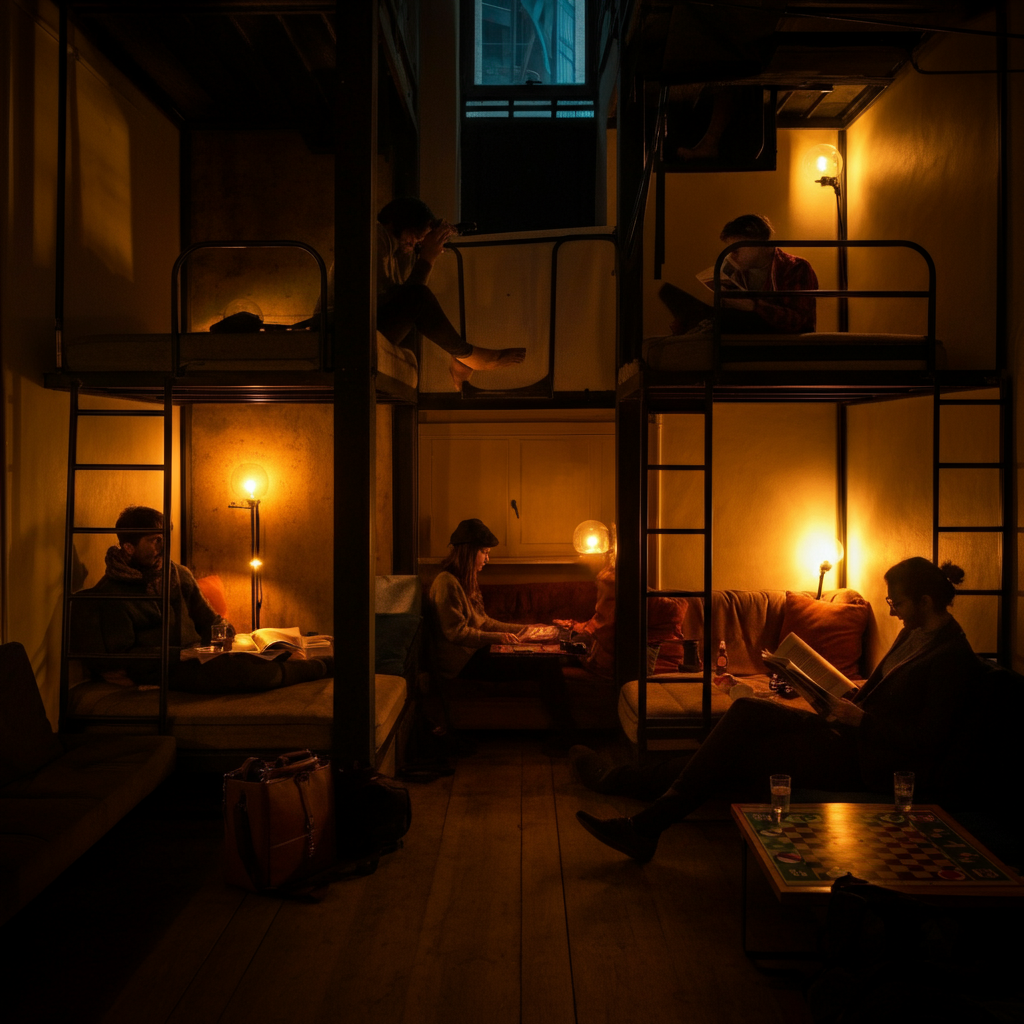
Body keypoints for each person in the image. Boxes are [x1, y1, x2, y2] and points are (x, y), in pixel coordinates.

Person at [574, 558, 981, 862]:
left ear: (927, 601)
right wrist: (844, 698)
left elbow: (927, 741)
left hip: (868, 759)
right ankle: (633, 799)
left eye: (898, 602)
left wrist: (863, 720)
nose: (892, 611)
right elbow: (879, 691)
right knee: (749, 709)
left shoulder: (951, 658)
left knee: (737, 756)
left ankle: (636, 806)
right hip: (847, 730)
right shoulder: (915, 633)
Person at [76, 505, 333, 694]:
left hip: (200, 655)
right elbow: (125, 655)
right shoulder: (113, 593)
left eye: (164, 539)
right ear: (129, 547)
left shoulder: (177, 574)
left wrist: (223, 633)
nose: (162, 548)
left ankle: (317, 662)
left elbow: (208, 619)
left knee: (260, 657)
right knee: (244, 674)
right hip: (164, 667)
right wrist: (181, 654)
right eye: (154, 541)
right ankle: (320, 668)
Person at [318, 198, 526, 390]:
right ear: (395, 223)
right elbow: (390, 298)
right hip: (341, 323)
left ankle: (460, 356)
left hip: (367, 322)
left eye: (417, 241)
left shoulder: (403, 254)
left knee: (420, 300)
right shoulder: (375, 236)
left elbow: (409, 299)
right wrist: (427, 258)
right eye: (412, 239)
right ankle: (465, 354)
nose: (414, 245)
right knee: (418, 296)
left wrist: (428, 254)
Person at [426, 517, 578, 748]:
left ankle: (566, 731)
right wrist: (500, 638)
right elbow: (455, 633)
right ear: (469, 552)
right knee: (545, 663)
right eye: (484, 552)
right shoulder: (446, 583)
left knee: (546, 652)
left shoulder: (467, 579)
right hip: (462, 662)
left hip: (475, 652)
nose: (488, 558)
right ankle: (567, 737)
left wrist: (526, 629)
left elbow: (483, 622)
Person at [657, 213, 818, 339]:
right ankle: (698, 323)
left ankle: (698, 324)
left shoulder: (796, 267)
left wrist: (754, 305)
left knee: (725, 318)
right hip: (745, 327)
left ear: (758, 242)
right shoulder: (739, 272)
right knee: (669, 293)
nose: (732, 256)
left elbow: (799, 321)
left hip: (774, 331)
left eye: (736, 249)